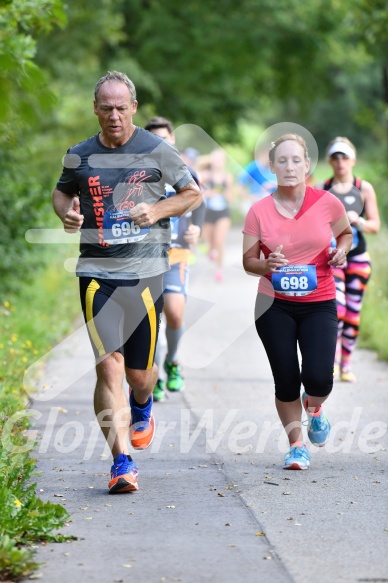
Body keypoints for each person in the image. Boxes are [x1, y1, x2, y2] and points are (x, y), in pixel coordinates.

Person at [52, 71, 201, 494]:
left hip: (146, 273)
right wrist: (65, 213)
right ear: (95, 109)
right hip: (97, 273)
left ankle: (142, 403)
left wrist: (156, 212)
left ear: (133, 108)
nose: (114, 116)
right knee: (107, 364)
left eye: (121, 108)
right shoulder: (79, 155)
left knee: (139, 374)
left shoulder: (157, 150)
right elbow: (61, 193)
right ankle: (121, 462)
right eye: (106, 108)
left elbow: (193, 193)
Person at [242, 133, 352, 470]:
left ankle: (314, 408)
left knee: (320, 378)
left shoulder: (328, 203)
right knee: (286, 377)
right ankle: (296, 446)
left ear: (307, 165)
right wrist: (266, 264)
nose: (289, 167)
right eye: (282, 161)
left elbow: (345, 234)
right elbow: (248, 262)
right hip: (273, 304)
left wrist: (341, 252)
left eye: (296, 160)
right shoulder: (259, 211)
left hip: (319, 301)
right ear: (272, 167)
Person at [144, 116, 205, 401]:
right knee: (151, 318)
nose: (160, 143)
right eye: (154, 139)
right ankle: (153, 372)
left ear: (173, 140)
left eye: (164, 138)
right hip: (144, 257)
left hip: (177, 253)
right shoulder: (138, 174)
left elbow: (198, 203)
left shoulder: (186, 171)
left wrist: (196, 229)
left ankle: (174, 360)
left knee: (175, 312)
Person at [317, 137, 380, 382]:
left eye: (345, 156)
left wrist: (359, 220)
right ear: (329, 161)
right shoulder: (323, 189)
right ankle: (330, 363)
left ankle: (346, 365)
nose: (340, 162)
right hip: (333, 260)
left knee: (353, 312)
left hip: (358, 258)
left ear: (352, 159)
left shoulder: (363, 188)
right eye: (336, 157)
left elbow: (375, 225)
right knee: (337, 309)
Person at [200, 148, 235, 282]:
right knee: (210, 242)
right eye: (215, 158)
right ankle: (211, 251)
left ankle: (219, 270)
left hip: (223, 212)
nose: (218, 162)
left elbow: (231, 197)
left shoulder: (227, 177)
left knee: (219, 242)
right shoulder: (206, 175)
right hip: (208, 212)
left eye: (220, 159)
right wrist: (209, 193)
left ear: (224, 162)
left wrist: (227, 195)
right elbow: (198, 193)